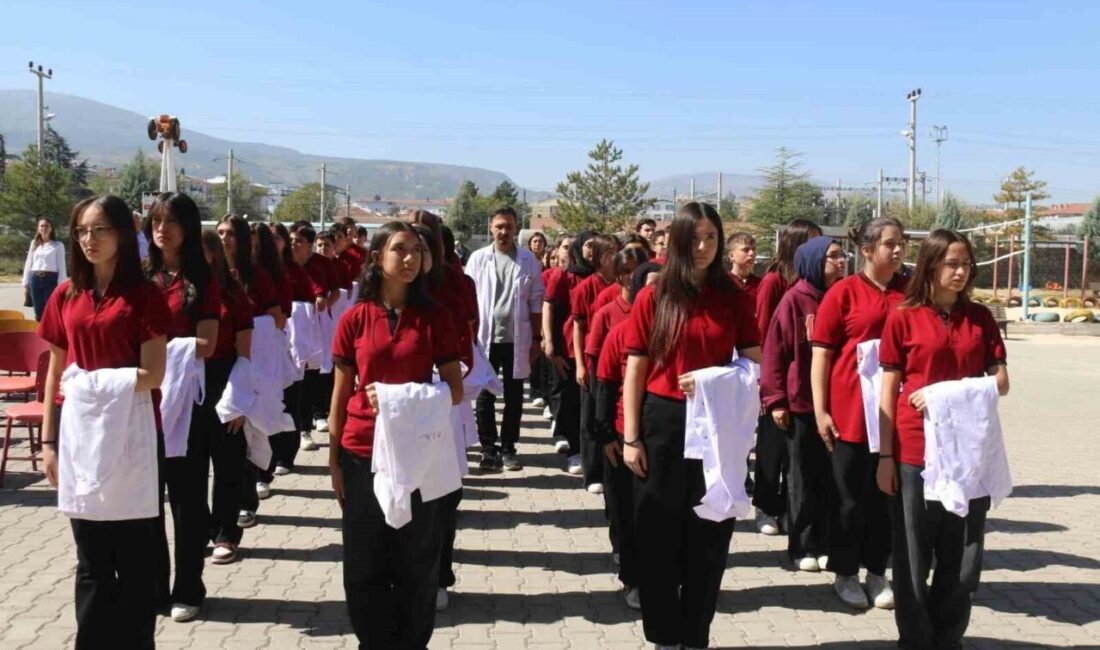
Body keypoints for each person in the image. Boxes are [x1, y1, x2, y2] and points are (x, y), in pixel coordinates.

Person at [621, 202, 761, 650]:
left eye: (711, 238)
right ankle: (664, 636)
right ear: (678, 241)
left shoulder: (733, 297)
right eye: (694, 238)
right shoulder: (654, 296)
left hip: (717, 424)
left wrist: (714, 380)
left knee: (709, 534)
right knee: (657, 534)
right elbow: (635, 368)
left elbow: (754, 364)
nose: (702, 247)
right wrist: (630, 436)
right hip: (662, 422)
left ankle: (695, 635)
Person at [38, 195, 170, 650]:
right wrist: (49, 441)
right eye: (81, 231)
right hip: (79, 440)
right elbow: (56, 373)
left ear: (121, 234)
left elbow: (154, 374)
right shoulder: (66, 294)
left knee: (134, 563)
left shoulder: (145, 295)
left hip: (133, 438)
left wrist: (94, 383)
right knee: (91, 561)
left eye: (99, 230)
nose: (89, 240)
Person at [328, 221, 464, 649]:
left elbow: (454, 391)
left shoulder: (436, 318)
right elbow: (338, 395)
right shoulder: (355, 319)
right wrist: (333, 460)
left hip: (416, 455)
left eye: (417, 251)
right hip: (361, 451)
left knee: (416, 560)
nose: (409, 259)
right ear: (376, 258)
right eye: (399, 249)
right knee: (364, 563)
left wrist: (398, 397)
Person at [877, 230, 1009, 650]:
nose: (960, 271)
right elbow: (888, 389)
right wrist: (884, 455)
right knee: (914, 553)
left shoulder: (981, 318)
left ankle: (948, 636)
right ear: (931, 265)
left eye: (966, 264)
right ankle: (916, 640)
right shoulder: (903, 315)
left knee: (964, 554)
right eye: (952, 263)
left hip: (969, 452)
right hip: (917, 450)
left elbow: (1001, 382)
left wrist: (943, 394)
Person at [811, 218, 907, 610]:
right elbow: (821, 354)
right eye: (890, 244)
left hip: (895, 414)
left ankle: (877, 570)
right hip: (851, 412)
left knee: (887, 496)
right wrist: (820, 410)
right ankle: (845, 572)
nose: (899, 251)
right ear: (867, 250)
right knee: (849, 498)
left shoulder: (911, 292)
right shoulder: (843, 294)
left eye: (901, 243)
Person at [144, 192, 223, 622]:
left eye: (172, 221)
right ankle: (155, 586)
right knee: (146, 501)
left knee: (187, 501)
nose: (162, 228)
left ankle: (189, 587)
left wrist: (166, 350)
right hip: (141, 404)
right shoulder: (139, 277)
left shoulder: (203, 280)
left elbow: (207, 343)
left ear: (188, 228)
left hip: (186, 408)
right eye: (156, 220)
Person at [760, 236, 846, 576]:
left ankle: (826, 541)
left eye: (842, 256)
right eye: (833, 256)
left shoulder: (841, 297)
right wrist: (776, 399)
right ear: (812, 261)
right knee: (802, 478)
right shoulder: (795, 300)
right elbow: (774, 352)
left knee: (832, 479)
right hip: (801, 404)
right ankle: (802, 545)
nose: (841, 262)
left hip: (838, 404)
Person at [591, 256, 657, 610]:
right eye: (652, 286)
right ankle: (632, 579)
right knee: (627, 514)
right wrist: (607, 437)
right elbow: (604, 386)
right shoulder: (620, 332)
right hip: (622, 438)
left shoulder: (675, 331)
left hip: (664, 438)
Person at [753, 218, 823, 536]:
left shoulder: (818, 285)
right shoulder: (773, 281)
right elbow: (766, 334)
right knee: (772, 448)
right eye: (810, 242)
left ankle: (787, 508)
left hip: (806, 385)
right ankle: (766, 506)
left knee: (797, 458)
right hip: (775, 376)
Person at [467, 207, 545, 471]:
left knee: (514, 396)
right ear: (491, 227)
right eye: (499, 226)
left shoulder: (528, 260)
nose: (504, 231)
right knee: (484, 395)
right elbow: (467, 300)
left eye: (509, 226)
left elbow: (536, 301)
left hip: (516, 339)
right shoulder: (478, 259)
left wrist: (536, 338)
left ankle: (509, 447)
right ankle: (488, 449)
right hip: (484, 339)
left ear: (515, 228)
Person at [544, 231, 596, 475]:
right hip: (569, 350)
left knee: (592, 406)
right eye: (587, 245)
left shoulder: (604, 278)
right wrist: (549, 342)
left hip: (595, 351)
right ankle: (575, 450)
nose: (592, 250)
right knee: (571, 402)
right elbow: (550, 309)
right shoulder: (565, 277)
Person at [572, 234, 621, 491]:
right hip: (594, 359)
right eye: (609, 253)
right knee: (590, 416)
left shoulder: (628, 285)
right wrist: (580, 363)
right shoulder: (586, 288)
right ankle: (592, 474)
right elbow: (578, 328)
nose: (614, 258)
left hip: (619, 362)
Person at [291, 224, 341, 450]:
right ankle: (296, 428)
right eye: (291, 239)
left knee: (314, 373)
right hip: (289, 329)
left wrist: (322, 312)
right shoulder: (283, 266)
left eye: (299, 241)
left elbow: (335, 291)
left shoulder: (323, 265)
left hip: (316, 325)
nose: (294, 244)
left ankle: (313, 417)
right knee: (293, 377)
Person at [23, 217, 67, 320]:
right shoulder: (34, 243)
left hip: (50, 280)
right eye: (41, 226)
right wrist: (25, 283)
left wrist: (61, 286)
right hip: (35, 279)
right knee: (38, 311)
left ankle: (51, 334)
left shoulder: (58, 245)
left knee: (51, 310)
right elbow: (28, 263)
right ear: (38, 228)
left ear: (51, 228)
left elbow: (61, 266)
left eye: (46, 226)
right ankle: (39, 333)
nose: (44, 228)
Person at [727, 232, 760, 299]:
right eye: (746, 250)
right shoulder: (723, 283)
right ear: (731, 256)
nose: (751, 253)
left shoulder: (760, 284)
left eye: (753, 249)